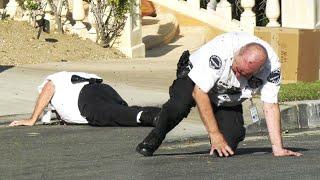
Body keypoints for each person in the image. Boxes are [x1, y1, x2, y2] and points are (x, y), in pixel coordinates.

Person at [136, 32, 303, 157]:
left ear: (260, 69)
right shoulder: (221, 51)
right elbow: (199, 92)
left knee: (228, 144)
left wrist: (278, 148)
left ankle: (217, 136)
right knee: (178, 107)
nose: (239, 77)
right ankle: (155, 134)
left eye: (245, 74)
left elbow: (271, 105)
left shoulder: (271, 68)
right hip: (196, 81)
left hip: (227, 96)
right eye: (237, 70)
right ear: (237, 54)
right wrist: (214, 134)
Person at [9, 71, 160, 127]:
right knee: (121, 112)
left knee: (109, 113)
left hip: (86, 97)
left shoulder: (54, 80)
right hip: (104, 89)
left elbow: (48, 89)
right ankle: (162, 113)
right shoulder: (72, 79)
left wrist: (31, 119)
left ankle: (152, 117)